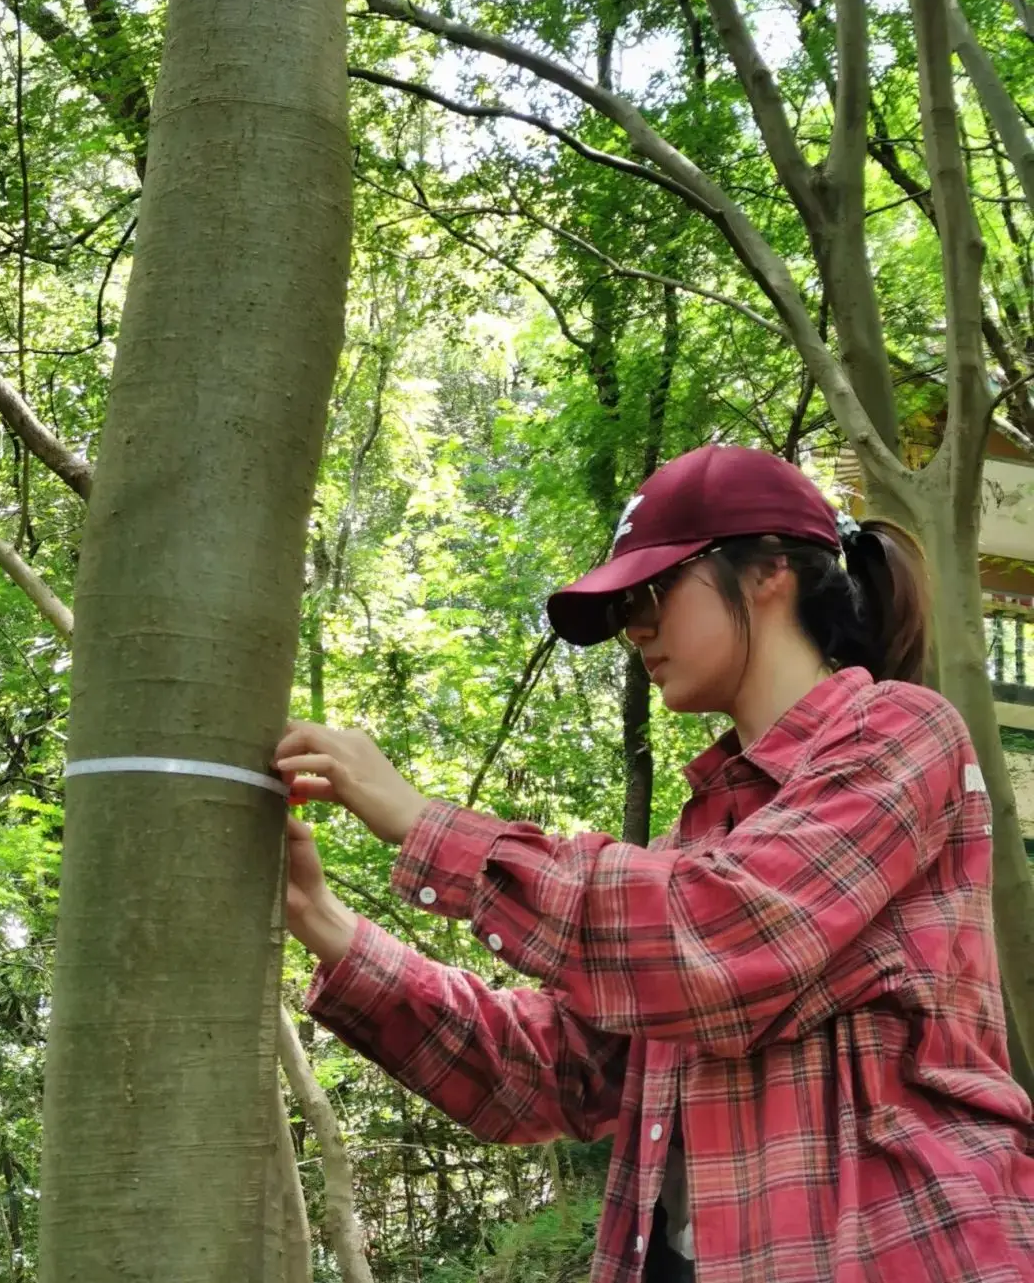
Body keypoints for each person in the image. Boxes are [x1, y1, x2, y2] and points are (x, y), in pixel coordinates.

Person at [274, 445, 1034, 1283]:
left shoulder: (901, 735)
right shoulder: (689, 852)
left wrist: (426, 823)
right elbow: (550, 1071)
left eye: (656, 589)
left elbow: (724, 934)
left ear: (770, 570)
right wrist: (325, 923)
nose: (636, 624)